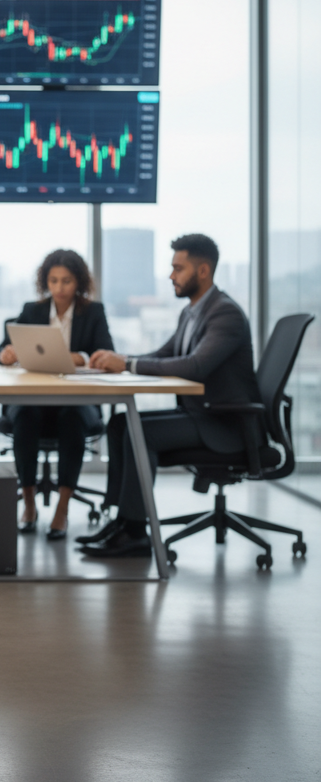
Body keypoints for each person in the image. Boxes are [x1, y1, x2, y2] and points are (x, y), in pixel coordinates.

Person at [82, 233, 260, 558]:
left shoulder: (225, 314)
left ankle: (135, 533)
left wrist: (129, 364)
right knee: (121, 424)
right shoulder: (192, 312)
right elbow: (163, 354)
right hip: (199, 414)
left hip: (224, 423)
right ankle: (121, 520)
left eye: (178, 268)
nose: (171, 275)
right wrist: (118, 361)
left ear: (203, 271)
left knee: (141, 433)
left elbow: (195, 366)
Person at [0, 249, 113, 539]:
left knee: (71, 417)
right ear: (45, 281)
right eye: (53, 280)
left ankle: (62, 508)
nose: (59, 288)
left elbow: (106, 353)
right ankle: (30, 504)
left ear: (79, 283)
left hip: (77, 403)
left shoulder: (93, 312)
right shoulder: (32, 311)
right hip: (33, 402)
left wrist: (81, 357)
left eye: (67, 281)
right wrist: (6, 355)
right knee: (24, 414)